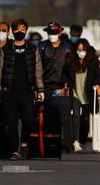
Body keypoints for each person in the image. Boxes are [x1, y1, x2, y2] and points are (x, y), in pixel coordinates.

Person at [0, 19, 44, 161]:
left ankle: (24, 143)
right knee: (12, 121)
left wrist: (40, 90)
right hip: (10, 91)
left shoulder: (32, 49)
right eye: (17, 29)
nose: (20, 32)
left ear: (26, 31)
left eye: (23, 29)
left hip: (28, 90)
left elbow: (38, 71)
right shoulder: (6, 49)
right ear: (13, 32)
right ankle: (15, 151)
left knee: (28, 120)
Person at [39, 22, 73, 151]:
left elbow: (70, 69)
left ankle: (68, 144)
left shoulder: (67, 48)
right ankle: (50, 141)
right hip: (46, 85)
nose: (52, 35)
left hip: (62, 85)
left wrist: (67, 84)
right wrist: (38, 87)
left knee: (65, 115)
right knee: (49, 113)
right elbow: (37, 67)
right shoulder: (42, 47)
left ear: (59, 33)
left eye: (54, 33)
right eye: (50, 33)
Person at [65, 38, 100, 151]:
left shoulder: (93, 61)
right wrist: (66, 83)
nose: (81, 52)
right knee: (75, 116)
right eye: (79, 50)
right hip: (75, 92)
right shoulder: (70, 61)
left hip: (88, 93)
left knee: (85, 118)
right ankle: (75, 142)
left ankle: (82, 139)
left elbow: (99, 75)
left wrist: (97, 84)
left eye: (83, 50)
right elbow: (66, 75)